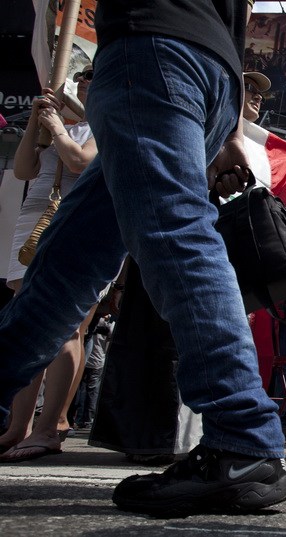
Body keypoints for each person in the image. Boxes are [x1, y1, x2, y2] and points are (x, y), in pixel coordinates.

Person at [0, 0, 286, 515]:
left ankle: (242, 437)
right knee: (69, 256)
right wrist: (227, 127)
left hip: (150, 51)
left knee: (177, 235)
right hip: (208, 67)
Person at [0, 72, 98, 463]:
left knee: (70, 327)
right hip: (34, 221)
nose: (87, 83)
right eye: (82, 78)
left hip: (80, 219)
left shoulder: (106, 122)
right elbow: (24, 170)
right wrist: (37, 124)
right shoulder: (53, 120)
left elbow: (80, 163)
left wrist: (57, 127)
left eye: (94, 76)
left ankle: (52, 424)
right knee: (28, 318)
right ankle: (18, 425)